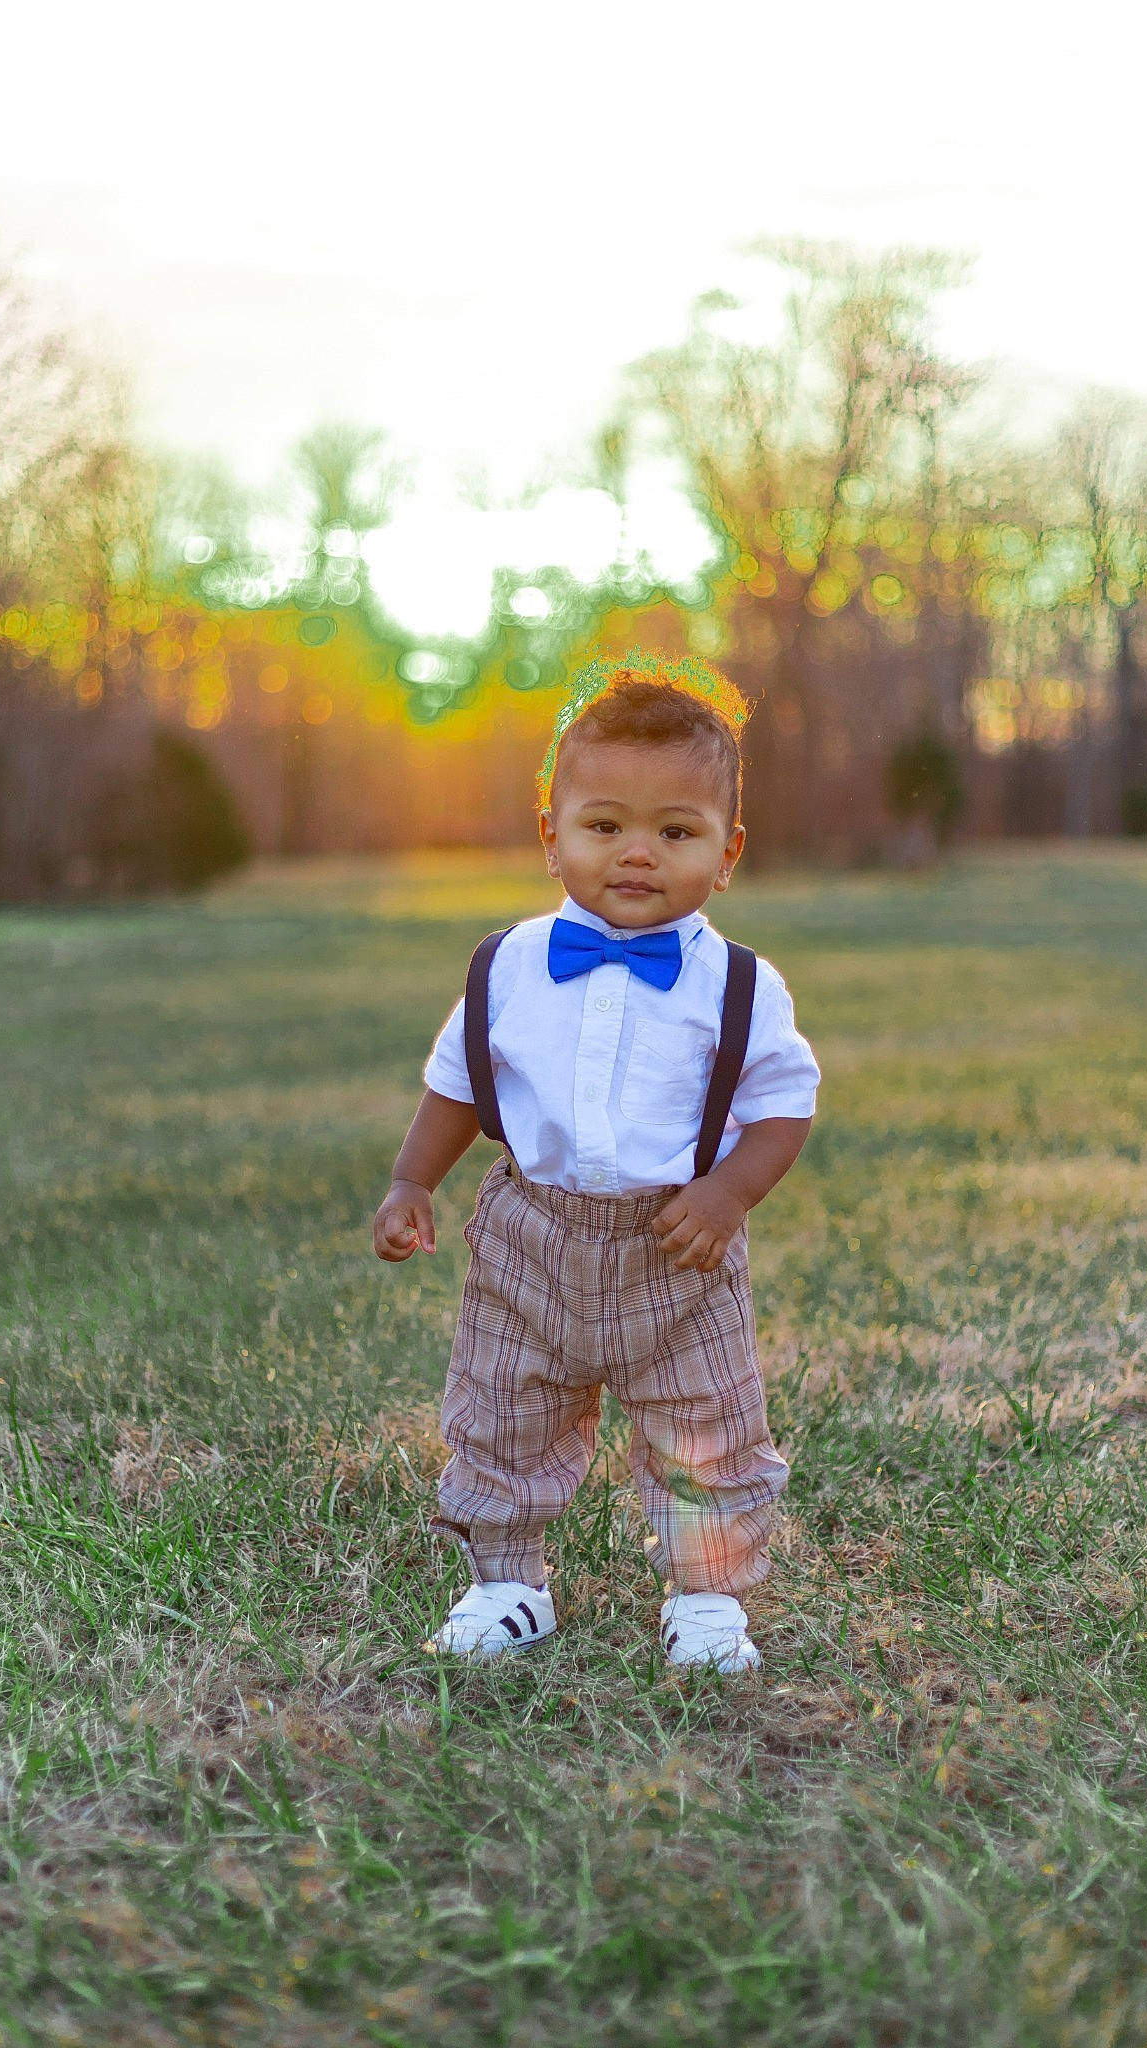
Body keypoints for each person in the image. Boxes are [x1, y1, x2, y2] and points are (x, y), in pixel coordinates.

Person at [371, 656, 819, 1672]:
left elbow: (784, 1106)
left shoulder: (738, 984)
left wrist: (728, 1192)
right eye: (604, 825)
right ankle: (506, 1584)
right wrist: (411, 1181)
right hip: (531, 1235)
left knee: (707, 1421)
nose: (637, 853)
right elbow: (459, 1080)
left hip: (678, 1244)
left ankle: (706, 1598)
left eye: (677, 832)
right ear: (551, 835)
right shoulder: (508, 966)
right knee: (502, 1408)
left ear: (728, 851)